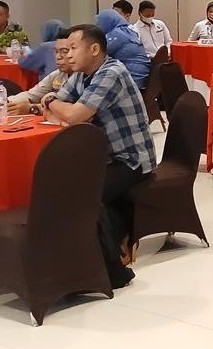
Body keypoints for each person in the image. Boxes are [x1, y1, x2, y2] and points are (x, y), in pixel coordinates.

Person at [42, 24, 157, 289]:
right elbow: (56, 111)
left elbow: (72, 115)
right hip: (102, 158)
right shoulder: (82, 75)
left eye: (73, 48)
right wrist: (55, 105)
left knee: (82, 195)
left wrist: (50, 102)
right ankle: (83, 260)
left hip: (130, 158)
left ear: (94, 49)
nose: (68, 54)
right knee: (68, 187)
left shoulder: (111, 72)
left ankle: (113, 271)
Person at [8, 39, 73, 115]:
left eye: (64, 51)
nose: (58, 57)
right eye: (56, 52)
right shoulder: (58, 73)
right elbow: (34, 94)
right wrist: (5, 102)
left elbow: (69, 108)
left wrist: (33, 108)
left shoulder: (82, 77)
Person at [94, 9, 150, 88]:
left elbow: (96, 54)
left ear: (106, 22)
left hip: (132, 81)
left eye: (99, 23)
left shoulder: (117, 35)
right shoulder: (126, 31)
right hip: (140, 79)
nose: (97, 26)